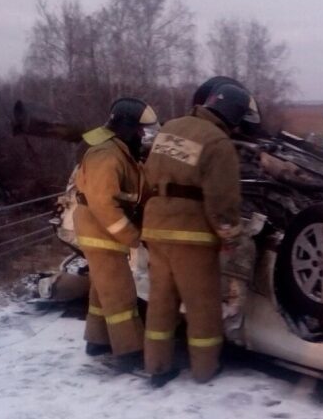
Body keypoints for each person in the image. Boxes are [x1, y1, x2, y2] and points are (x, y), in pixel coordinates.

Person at [141, 81, 256, 387]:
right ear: (233, 115)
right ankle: (205, 369)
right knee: (202, 304)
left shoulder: (170, 127)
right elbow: (222, 201)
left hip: (155, 226)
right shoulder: (218, 143)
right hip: (191, 234)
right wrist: (230, 237)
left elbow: (148, 173)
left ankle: (157, 365)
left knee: (161, 301)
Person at [73, 97, 158, 367]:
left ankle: (96, 341)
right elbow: (103, 202)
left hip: (100, 232)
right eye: (139, 129)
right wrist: (131, 236)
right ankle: (130, 351)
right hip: (101, 233)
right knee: (121, 293)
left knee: (102, 290)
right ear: (126, 126)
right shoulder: (105, 154)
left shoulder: (117, 149)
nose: (143, 135)